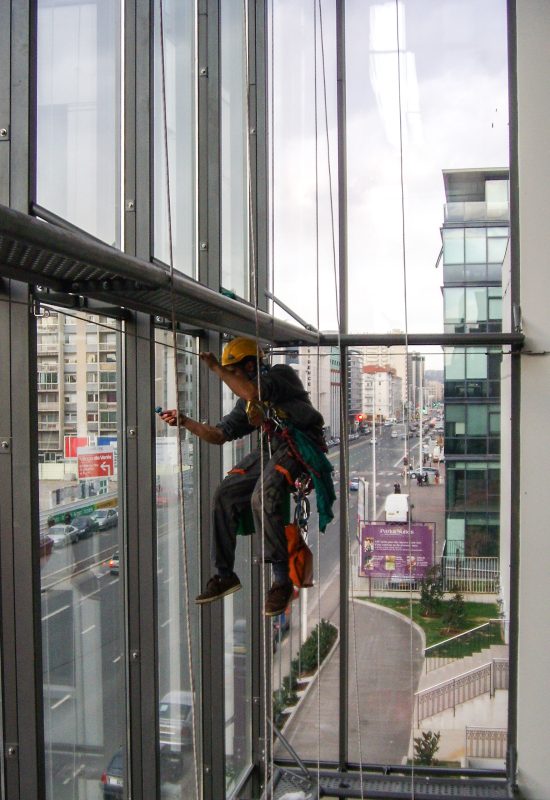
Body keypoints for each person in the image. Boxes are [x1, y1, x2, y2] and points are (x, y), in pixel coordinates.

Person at [160, 337, 333, 617]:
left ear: (251, 365)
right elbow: (218, 435)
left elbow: (253, 392)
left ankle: (281, 579)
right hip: (274, 448)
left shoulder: (281, 375)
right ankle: (224, 573)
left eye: (235, 372)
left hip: (300, 445)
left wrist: (217, 367)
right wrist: (185, 421)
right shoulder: (247, 402)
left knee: (263, 497)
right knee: (225, 494)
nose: (232, 379)